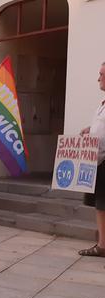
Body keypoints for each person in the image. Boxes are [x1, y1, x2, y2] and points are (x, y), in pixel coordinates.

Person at [78, 62, 105, 256]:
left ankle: (103, 246)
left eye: (101, 74)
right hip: (97, 161)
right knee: (100, 205)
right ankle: (102, 244)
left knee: (103, 205)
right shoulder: (101, 105)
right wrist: (90, 129)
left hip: (104, 160)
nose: (98, 78)